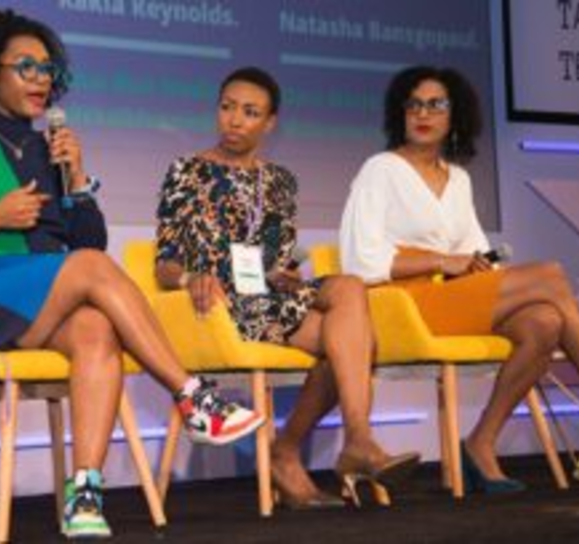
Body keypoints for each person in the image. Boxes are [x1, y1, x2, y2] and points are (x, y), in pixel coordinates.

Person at [0, 5, 263, 538]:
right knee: (91, 273)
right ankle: (192, 395)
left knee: (97, 331)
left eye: (46, 68)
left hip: (45, 294)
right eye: (25, 67)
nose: (40, 79)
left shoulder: (50, 148)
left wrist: (76, 178)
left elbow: (88, 245)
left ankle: (85, 492)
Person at [339, 65, 579, 493]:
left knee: (545, 321)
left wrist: (475, 264)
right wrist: (441, 260)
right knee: (550, 275)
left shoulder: (458, 179)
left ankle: (482, 442)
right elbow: (360, 260)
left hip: (452, 300)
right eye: (414, 104)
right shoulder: (380, 169)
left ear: (455, 114)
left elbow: (473, 252)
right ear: (400, 112)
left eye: (436, 104)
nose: (423, 113)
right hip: (402, 307)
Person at [154, 66, 420, 508]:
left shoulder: (280, 181)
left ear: (269, 122)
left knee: (349, 294)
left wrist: (282, 274)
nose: (235, 120)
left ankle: (346, 441)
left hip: (268, 299)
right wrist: (188, 277)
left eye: (250, 112)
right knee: (352, 344)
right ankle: (309, 449)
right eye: (227, 108)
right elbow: (164, 264)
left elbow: (274, 260)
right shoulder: (187, 171)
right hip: (219, 306)